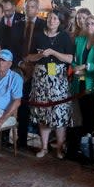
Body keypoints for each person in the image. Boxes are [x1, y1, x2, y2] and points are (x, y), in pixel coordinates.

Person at [27, 9, 74, 158]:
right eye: (49, 18)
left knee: (58, 112)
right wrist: (41, 55)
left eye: (55, 19)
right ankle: (44, 147)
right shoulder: (38, 36)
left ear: (60, 22)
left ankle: (60, 147)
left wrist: (53, 53)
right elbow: (29, 57)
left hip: (58, 79)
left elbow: (70, 59)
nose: (51, 21)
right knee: (43, 113)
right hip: (41, 77)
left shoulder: (65, 37)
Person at [68, 13, 94, 159]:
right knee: (81, 115)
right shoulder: (79, 40)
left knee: (92, 116)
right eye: (88, 24)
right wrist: (76, 67)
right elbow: (73, 59)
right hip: (79, 83)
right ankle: (83, 147)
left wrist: (87, 66)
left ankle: (93, 149)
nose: (90, 26)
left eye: (93, 23)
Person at [8, 0, 43, 139]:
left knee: (37, 104)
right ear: (24, 8)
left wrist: (33, 65)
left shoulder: (43, 25)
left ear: (37, 9)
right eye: (27, 6)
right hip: (19, 69)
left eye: (33, 6)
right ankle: (21, 139)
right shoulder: (17, 26)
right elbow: (11, 48)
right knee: (20, 103)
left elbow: (44, 47)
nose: (30, 9)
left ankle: (42, 141)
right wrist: (21, 64)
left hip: (37, 69)